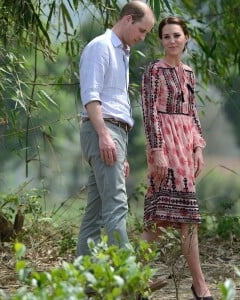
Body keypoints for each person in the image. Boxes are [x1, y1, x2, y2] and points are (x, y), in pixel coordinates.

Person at [141, 16, 214, 300]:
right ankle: (133, 280)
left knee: (186, 218)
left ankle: (198, 284)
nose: (171, 40)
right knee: (160, 220)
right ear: (161, 40)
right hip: (164, 146)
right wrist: (157, 150)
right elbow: (149, 112)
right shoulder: (154, 71)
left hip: (185, 146)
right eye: (166, 36)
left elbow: (192, 113)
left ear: (186, 39)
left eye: (176, 35)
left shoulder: (190, 72)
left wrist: (198, 147)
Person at [77, 1, 155, 255]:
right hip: (103, 130)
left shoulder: (122, 52)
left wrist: (119, 148)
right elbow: (90, 96)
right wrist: (104, 136)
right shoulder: (100, 47)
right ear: (128, 19)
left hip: (113, 133)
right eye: (142, 31)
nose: (142, 38)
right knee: (116, 204)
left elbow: (116, 103)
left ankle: (84, 282)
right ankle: (130, 281)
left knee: (96, 211)